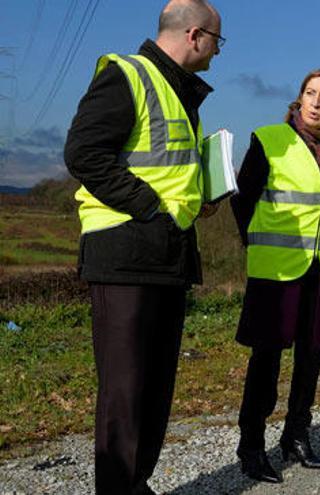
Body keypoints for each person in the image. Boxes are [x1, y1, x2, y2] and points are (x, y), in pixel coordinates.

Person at [63, 1, 222, 493]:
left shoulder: (182, 94)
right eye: (218, 39)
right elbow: (84, 153)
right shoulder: (126, 75)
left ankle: (135, 482)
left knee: (154, 386)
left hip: (167, 254)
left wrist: (203, 194)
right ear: (196, 35)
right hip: (125, 252)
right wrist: (149, 204)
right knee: (125, 389)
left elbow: (168, 167)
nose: (219, 50)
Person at [230, 70, 320, 483]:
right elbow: (242, 200)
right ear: (299, 98)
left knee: (311, 357)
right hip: (277, 269)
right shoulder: (269, 139)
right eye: (310, 93)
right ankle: (251, 447)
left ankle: (296, 437)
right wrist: (258, 244)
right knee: (266, 360)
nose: (316, 102)